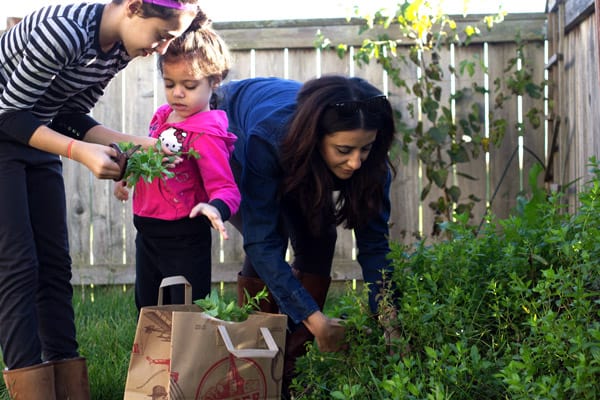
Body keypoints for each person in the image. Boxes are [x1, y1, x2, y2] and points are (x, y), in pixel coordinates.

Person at [0, 1, 202, 398]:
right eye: (161, 35)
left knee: (55, 264)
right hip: (6, 131)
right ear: (133, 7)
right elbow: (10, 114)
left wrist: (143, 145)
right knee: (19, 264)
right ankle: (29, 381)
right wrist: (79, 152)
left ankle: (70, 387)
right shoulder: (62, 31)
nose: (161, 49)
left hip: (36, 137)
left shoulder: (119, 49)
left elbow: (70, 115)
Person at [215, 75, 396, 397]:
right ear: (317, 138)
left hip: (295, 151)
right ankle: (254, 361)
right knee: (272, 235)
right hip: (233, 127)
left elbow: (375, 245)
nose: (355, 162)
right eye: (344, 149)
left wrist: (388, 315)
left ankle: (290, 370)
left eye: (365, 148)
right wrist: (315, 317)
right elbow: (261, 240)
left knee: (319, 237)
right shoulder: (268, 139)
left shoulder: (372, 165)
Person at [113, 21, 240, 310]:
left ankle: (187, 356)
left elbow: (227, 188)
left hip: (183, 236)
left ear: (214, 81)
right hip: (147, 230)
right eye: (170, 84)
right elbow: (152, 159)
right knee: (148, 307)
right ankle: (150, 355)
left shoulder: (207, 135)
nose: (177, 93)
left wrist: (214, 207)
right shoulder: (162, 116)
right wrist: (129, 173)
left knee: (186, 310)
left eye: (189, 85)